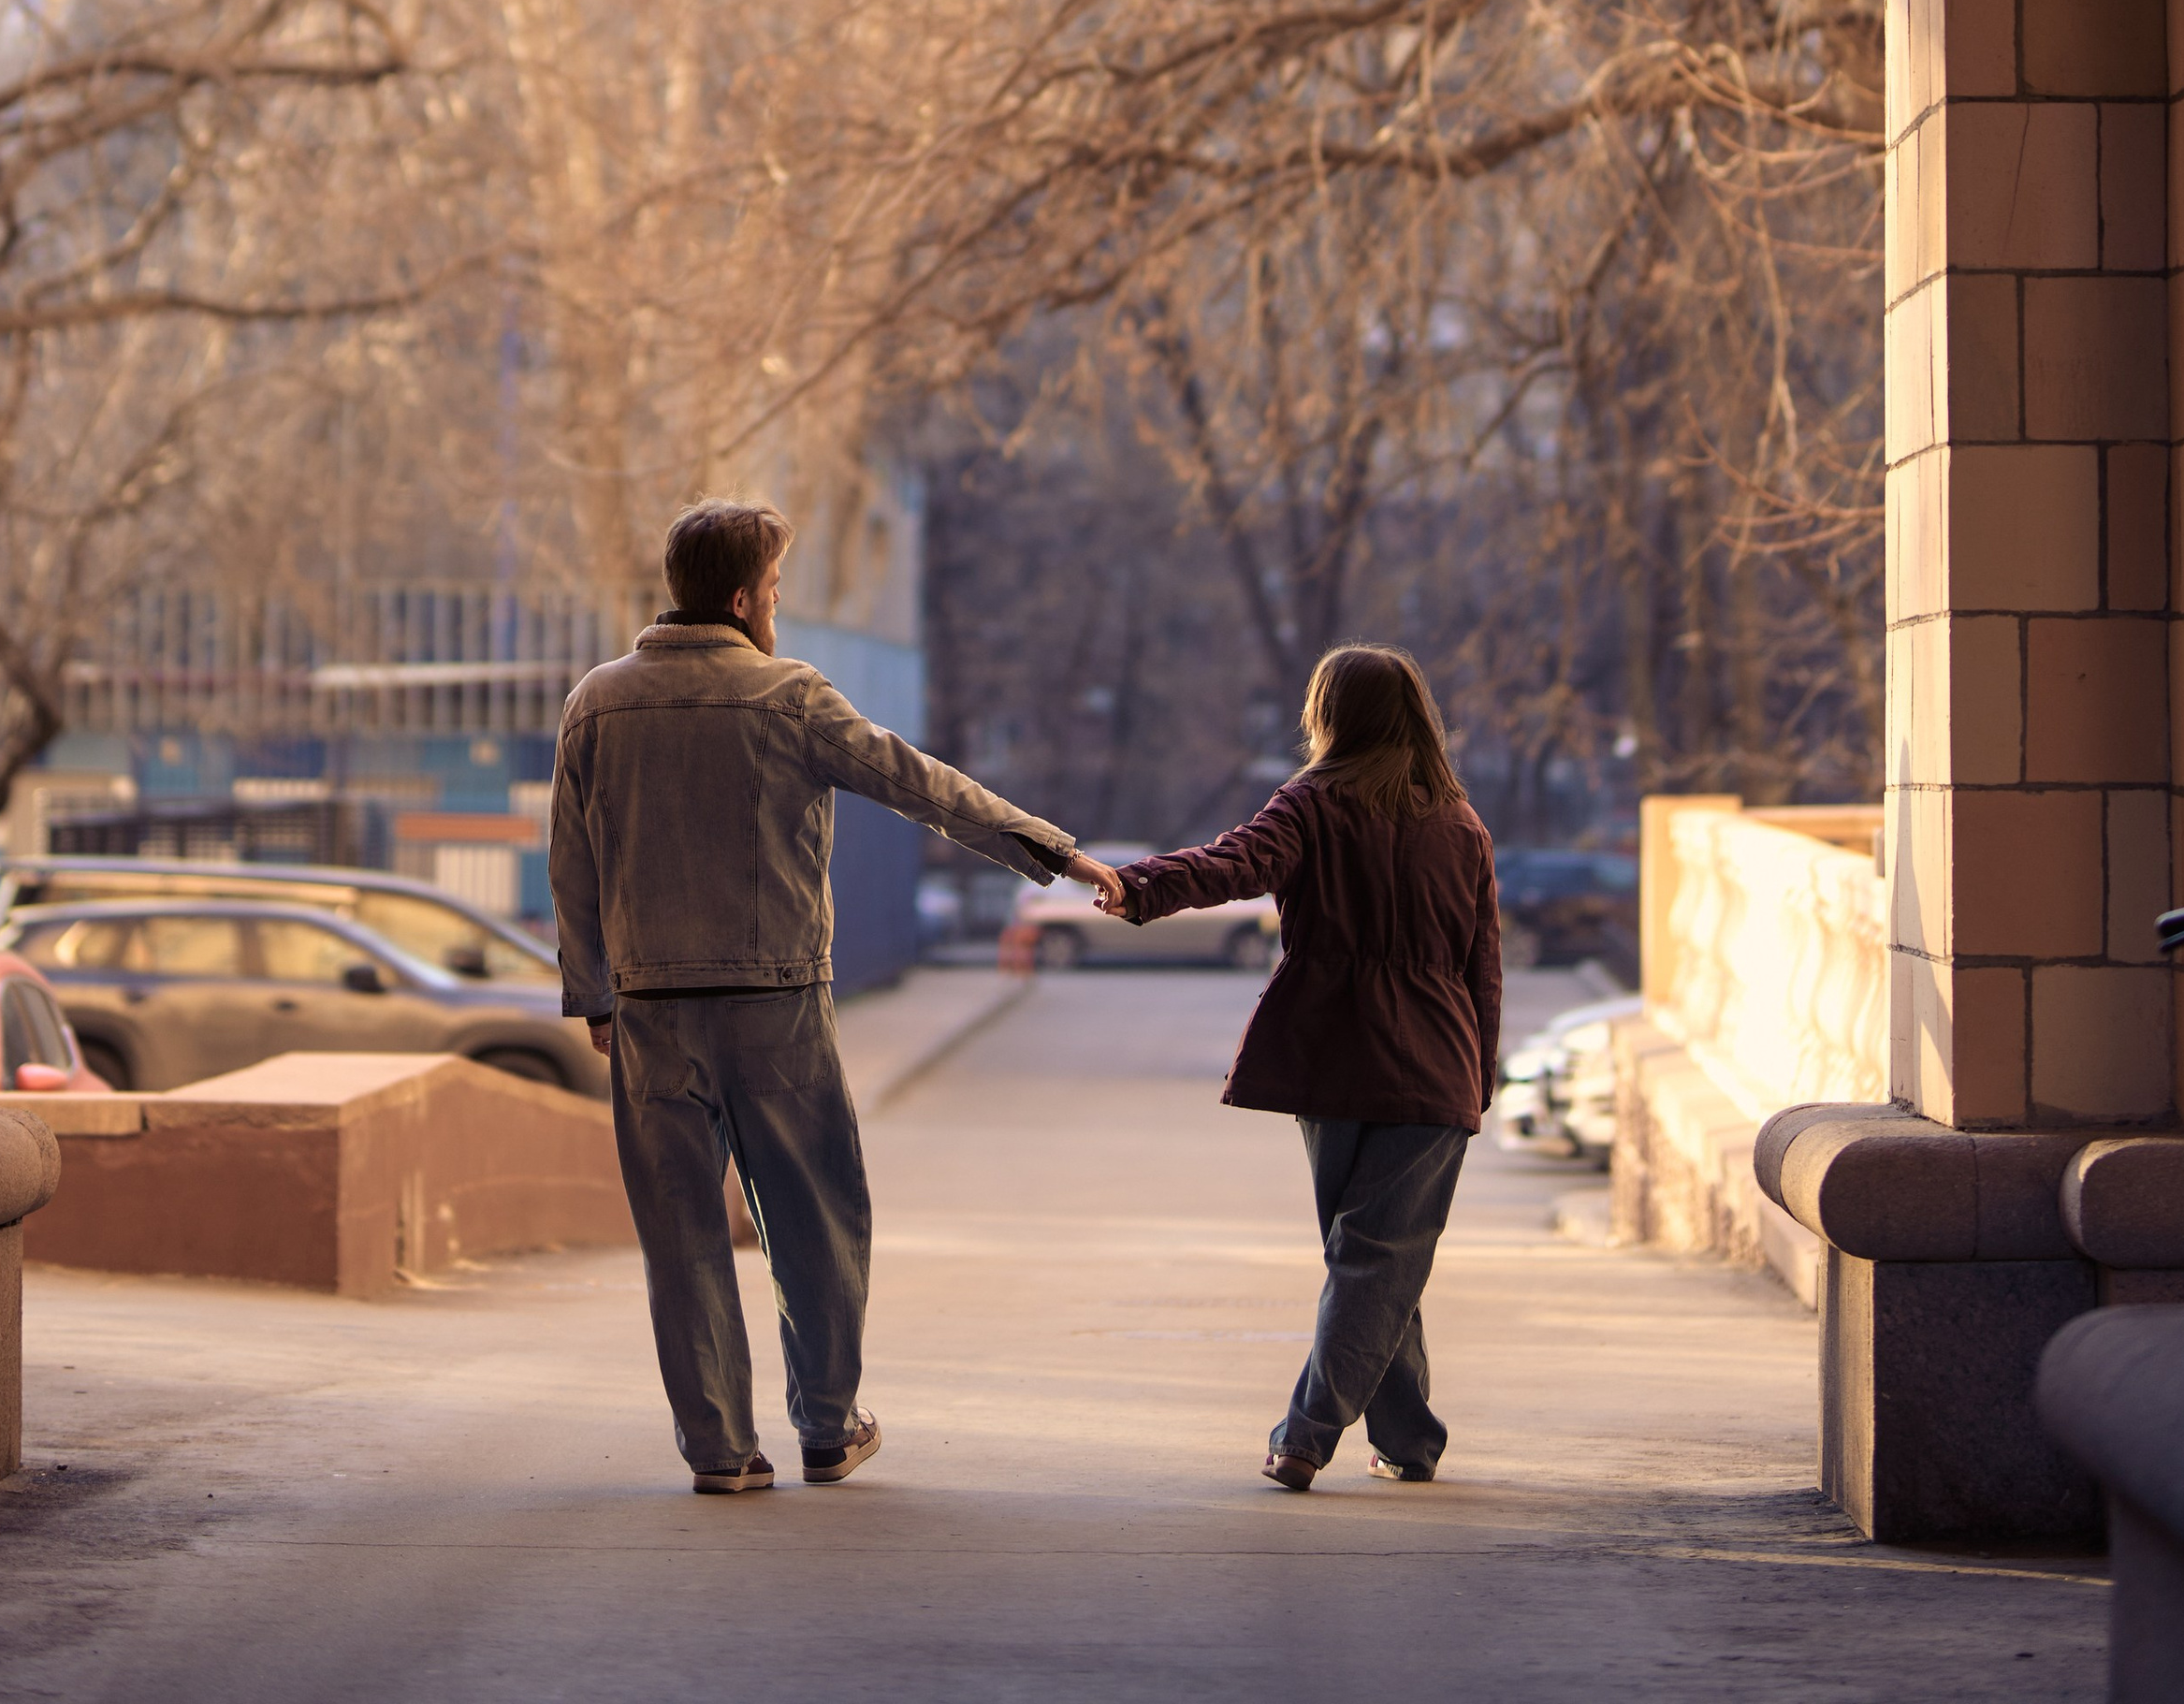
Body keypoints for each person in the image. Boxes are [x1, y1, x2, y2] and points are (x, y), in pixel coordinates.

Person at [550, 497, 1120, 1497]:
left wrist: (592, 992)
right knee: (814, 1220)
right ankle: (824, 1425)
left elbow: (572, 862)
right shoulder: (787, 696)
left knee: (681, 1236)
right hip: (776, 1009)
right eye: (773, 588)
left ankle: (721, 1452)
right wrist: (1052, 850)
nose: (778, 603)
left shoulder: (595, 701)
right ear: (738, 598)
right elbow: (921, 783)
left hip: (650, 1008)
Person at [1092, 640, 1500, 1492]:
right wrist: (1480, 1075)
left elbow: (1231, 862)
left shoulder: (1314, 802)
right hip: (1433, 1065)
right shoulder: (1459, 824)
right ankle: (1409, 1438)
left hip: (1334, 1058)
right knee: (1377, 1257)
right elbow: (1480, 967)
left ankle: (1307, 1435)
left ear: (1331, 715)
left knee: (1372, 1255)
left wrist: (1142, 886)